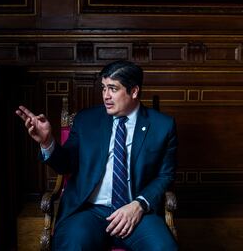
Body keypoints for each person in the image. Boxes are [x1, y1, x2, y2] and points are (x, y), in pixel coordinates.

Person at [16, 60, 178, 251]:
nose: (106, 96)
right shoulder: (87, 120)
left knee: (164, 248)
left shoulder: (162, 126)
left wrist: (139, 204)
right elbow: (66, 165)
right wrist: (47, 142)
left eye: (113, 89)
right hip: (89, 211)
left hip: (137, 212)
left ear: (134, 91)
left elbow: (165, 175)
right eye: (103, 88)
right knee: (71, 246)